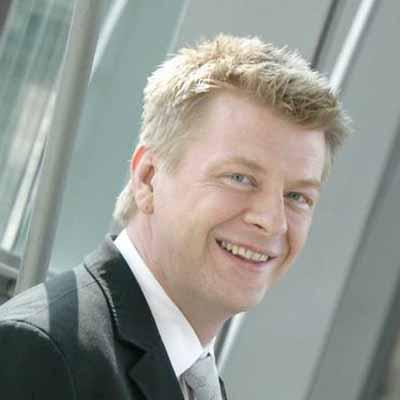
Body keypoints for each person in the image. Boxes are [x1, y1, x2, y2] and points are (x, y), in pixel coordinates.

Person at [0, 34, 349, 399]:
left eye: (296, 196)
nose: (273, 221)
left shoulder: (193, 379)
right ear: (148, 178)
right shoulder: (43, 353)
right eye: (240, 178)